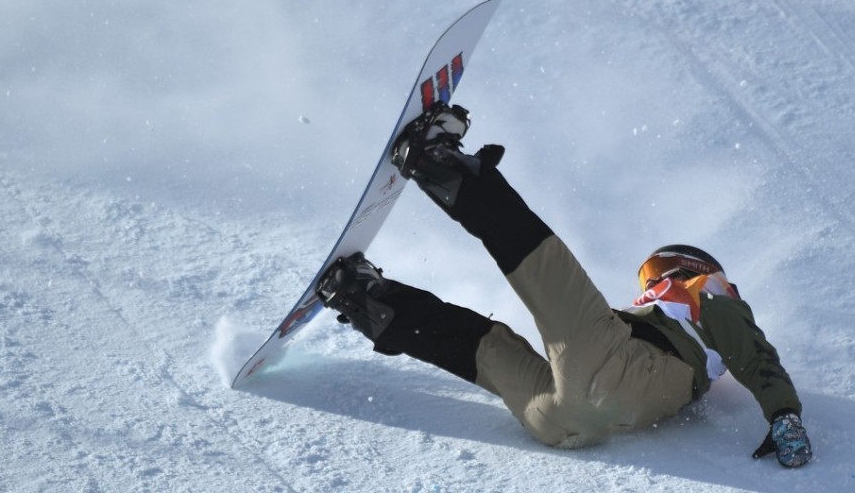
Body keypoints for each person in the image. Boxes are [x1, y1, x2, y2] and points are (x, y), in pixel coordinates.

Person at [315, 103, 812, 467]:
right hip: (568, 425)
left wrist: (784, 414)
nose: (652, 283)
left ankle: (435, 160)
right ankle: (366, 301)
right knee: (486, 348)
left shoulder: (711, 298)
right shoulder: (679, 340)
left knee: (543, 264)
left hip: (616, 372)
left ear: (686, 269)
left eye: (658, 272)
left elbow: (757, 356)